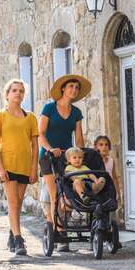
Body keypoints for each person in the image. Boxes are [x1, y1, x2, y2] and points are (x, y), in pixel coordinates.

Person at [38, 74, 91, 252]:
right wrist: (51, 149)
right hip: (48, 156)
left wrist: (81, 153)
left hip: (67, 157)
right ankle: (58, 233)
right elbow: (41, 133)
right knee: (54, 195)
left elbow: (79, 137)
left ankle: (62, 230)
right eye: (71, 87)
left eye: (76, 88)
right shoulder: (49, 108)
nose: (74, 90)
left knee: (66, 194)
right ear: (63, 89)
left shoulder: (76, 112)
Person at [0, 79, 38, 256]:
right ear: (7, 94)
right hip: (7, 164)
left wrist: (34, 169)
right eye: (14, 91)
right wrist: (1, 168)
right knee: (12, 201)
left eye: (21, 91)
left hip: (24, 165)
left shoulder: (31, 117)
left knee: (18, 202)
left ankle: (12, 234)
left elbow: (35, 146)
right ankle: (19, 239)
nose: (18, 93)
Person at [94, 135, 123, 249]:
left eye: (106, 145)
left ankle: (111, 237)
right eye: (101, 145)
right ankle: (98, 234)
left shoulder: (111, 161)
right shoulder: (95, 161)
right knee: (99, 212)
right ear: (96, 147)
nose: (104, 147)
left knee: (111, 214)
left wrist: (117, 192)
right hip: (99, 190)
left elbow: (114, 177)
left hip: (109, 190)